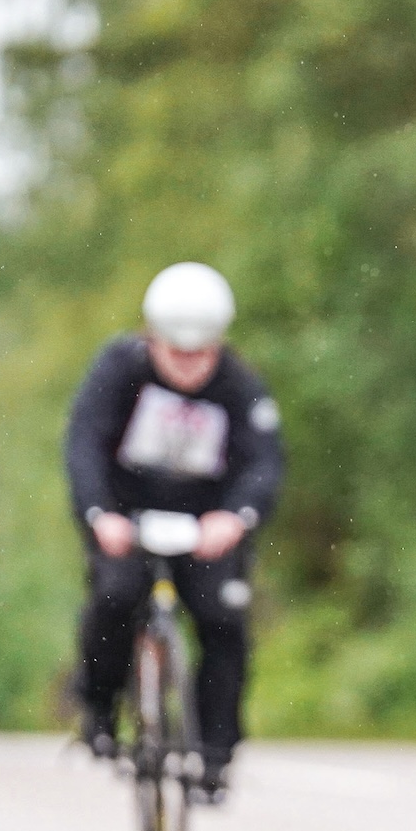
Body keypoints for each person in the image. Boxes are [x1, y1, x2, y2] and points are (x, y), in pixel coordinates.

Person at [65, 262, 285, 792]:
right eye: (176, 352)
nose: (188, 367)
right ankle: (97, 712)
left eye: (200, 353)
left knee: (224, 620)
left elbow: (264, 461)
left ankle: (215, 750)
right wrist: (100, 514)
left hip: (205, 527)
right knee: (114, 598)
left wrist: (236, 518)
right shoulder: (118, 369)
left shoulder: (240, 386)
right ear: (153, 338)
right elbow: (84, 443)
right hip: (127, 518)